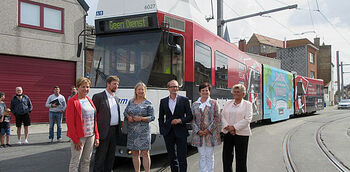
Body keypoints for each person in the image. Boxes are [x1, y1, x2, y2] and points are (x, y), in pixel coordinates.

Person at [158, 80, 193, 172]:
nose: (175, 88)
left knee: (182, 157)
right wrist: (162, 130)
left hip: (181, 132)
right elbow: (160, 118)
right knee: (172, 157)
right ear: (168, 88)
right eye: (172, 87)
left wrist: (180, 120)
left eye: (176, 87)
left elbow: (190, 116)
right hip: (168, 132)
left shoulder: (184, 100)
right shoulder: (163, 101)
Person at [66, 77, 99, 172]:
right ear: (77, 87)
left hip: (90, 136)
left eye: (87, 87)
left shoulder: (89, 100)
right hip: (79, 137)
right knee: (75, 162)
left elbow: (94, 120)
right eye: (83, 87)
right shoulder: (72, 101)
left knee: (86, 161)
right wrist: (75, 139)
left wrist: (96, 136)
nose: (85, 89)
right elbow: (70, 123)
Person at [92, 76, 121, 172]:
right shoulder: (98, 97)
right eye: (114, 84)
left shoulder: (116, 98)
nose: (116, 86)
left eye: (117, 84)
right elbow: (94, 116)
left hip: (114, 131)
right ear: (108, 84)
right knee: (100, 157)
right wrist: (95, 133)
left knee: (111, 157)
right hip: (103, 132)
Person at [124, 82, 155, 172]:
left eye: (143, 89)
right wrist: (128, 117)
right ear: (136, 91)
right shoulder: (131, 101)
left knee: (145, 153)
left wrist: (141, 118)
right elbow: (125, 112)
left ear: (145, 91)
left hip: (144, 132)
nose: (141, 91)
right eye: (139, 89)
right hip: (132, 132)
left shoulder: (148, 103)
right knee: (135, 153)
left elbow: (152, 117)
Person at [190, 82, 221, 172]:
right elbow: (192, 119)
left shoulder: (214, 103)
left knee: (209, 155)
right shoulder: (195, 104)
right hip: (198, 135)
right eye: (203, 90)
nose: (205, 92)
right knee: (201, 155)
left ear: (209, 92)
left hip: (210, 134)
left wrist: (208, 130)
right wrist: (198, 131)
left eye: (206, 90)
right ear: (200, 92)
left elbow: (217, 118)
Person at [221, 84, 253, 172]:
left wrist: (234, 128)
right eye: (234, 92)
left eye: (238, 92)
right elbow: (222, 116)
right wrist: (227, 127)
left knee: (241, 159)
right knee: (226, 158)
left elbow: (247, 119)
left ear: (243, 94)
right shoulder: (228, 103)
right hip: (228, 134)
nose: (236, 94)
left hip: (242, 134)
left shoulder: (248, 105)